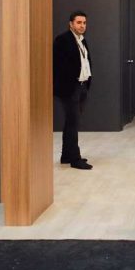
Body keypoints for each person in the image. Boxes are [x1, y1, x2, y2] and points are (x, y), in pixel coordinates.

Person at [53, 11, 93, 170]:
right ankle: (75, 159)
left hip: (82, 86)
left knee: (71, 123)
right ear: (71, 24)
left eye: (84, 23)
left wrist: (86, 82)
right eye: (79, 22)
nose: (82, 26)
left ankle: (66, 155)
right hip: (70, 88)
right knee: (73, 123)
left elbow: (84, 62)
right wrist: (69, 84)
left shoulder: (82, 40)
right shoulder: (63, 40)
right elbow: (58, 65)